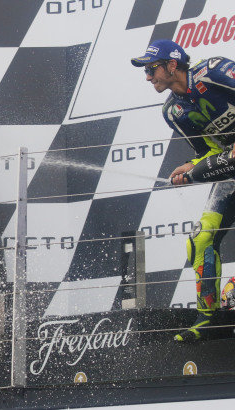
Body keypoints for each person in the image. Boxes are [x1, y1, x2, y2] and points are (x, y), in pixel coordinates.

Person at [131, 39, 235, 342]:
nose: (148, 77)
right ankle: (210, 318)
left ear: (172, 65)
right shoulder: (173, 111)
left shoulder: (213, 71)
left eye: (151, 69)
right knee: (200, 239)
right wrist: (191, 166)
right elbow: (208, 151)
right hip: (231, 167)